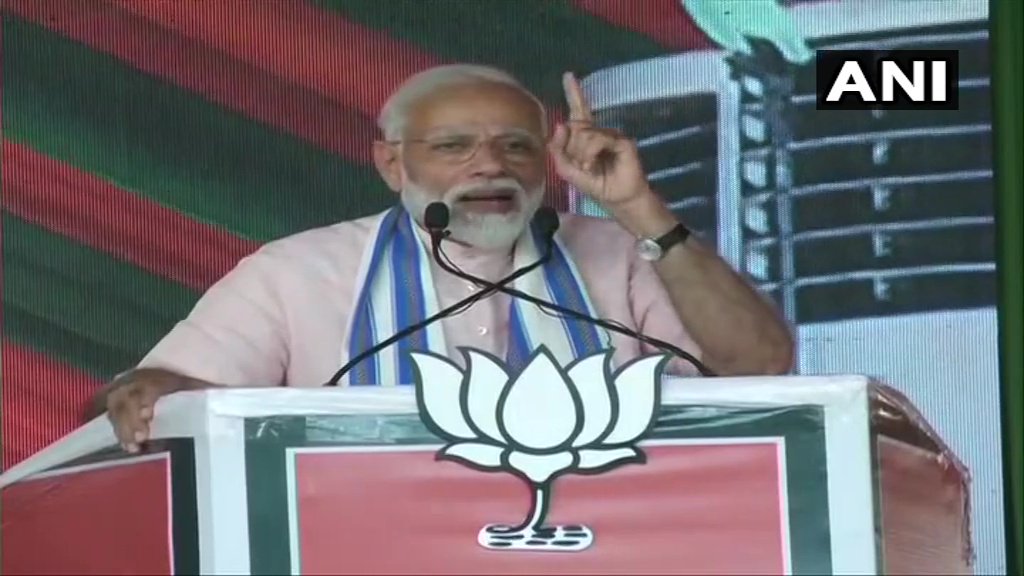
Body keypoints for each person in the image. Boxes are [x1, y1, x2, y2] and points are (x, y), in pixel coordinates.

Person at [96, 64, 794, 453]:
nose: (490, 166)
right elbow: (166, 390)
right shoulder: (298, 272)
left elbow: (759, 367)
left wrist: (639, 208)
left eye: (516, 146)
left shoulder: (620, 254)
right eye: (454, 146)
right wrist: (150, 393)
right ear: (391, 163)